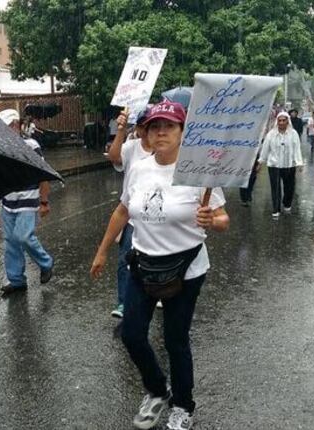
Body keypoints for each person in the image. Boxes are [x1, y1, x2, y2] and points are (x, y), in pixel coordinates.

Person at [90, 101, 230, 430]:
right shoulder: (139, 167)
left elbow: (223, 219)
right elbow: (123, 211)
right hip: (143, 263)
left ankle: (183, 405)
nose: (161, 131)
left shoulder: (199, 172)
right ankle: (157, 389)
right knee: (132, 334)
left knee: (175, 339)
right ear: (147, 133)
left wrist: (213, 219)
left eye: (169, 126)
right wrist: (102, 251)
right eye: (155, 126)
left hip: (187, 269)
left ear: (183, 132)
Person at [0, 109, 54, 296]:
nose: (9, 129)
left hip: (28, 199)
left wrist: (44, 201)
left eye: (11, 125)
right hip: (7, 201)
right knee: (11, 242)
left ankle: (46, 263)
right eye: (5, 126)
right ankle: (17, 280)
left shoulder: (31, 145)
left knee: (23, 236)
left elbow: (43, 174)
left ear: (18, 125)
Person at [107, 107, 153, 318]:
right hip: (130, 211)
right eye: (142, 125)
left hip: (156, 215)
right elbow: (114, 157)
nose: (146, 129)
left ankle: (156, 293)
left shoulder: (166, 149)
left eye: (149, 125)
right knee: (126, 259)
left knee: (154, 258)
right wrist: (120, 131)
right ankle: (124, 302)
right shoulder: (132, 147)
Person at [258, 112, 303, 218]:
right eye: (280, 120)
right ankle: (276, 209)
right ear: (277, 122)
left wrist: (299, 163)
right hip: (274, 165)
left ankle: (287, 204)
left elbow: (297, 149)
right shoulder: (271, 134)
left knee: (289, 187)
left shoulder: (293, 134)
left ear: (288, 121)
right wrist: (260, 162)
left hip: (289, 164)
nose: (282, 123)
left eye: (284, 120)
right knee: (275, 188)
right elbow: (265, 149)